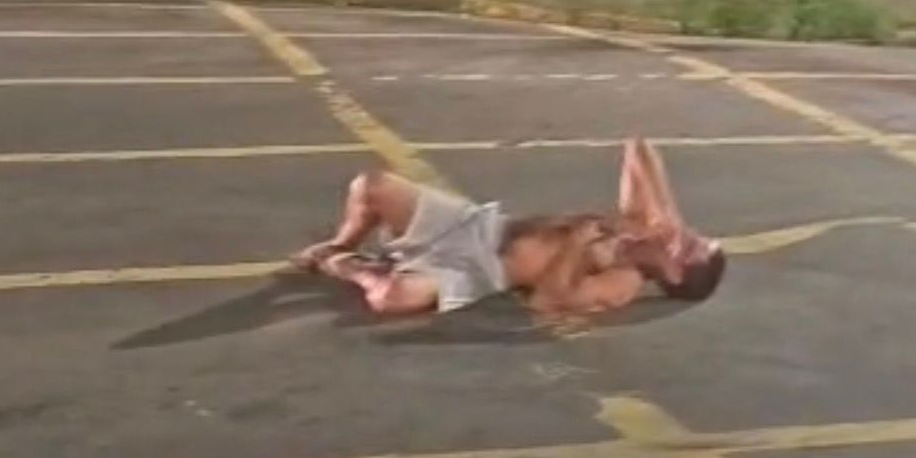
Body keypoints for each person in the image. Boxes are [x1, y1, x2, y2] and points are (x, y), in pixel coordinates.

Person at [292, 138, 726, 319]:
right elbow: (638, 145)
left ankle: (347, 264)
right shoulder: (640, 223)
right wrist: (670, 215)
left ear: (674, 273)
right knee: (371, 186)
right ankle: (341, 242)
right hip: (477, 225)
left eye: (691, 248)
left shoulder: (624, 281)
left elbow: (548, 301)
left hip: (482, 268)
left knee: (391, 298)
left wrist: (577, 245)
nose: (685, 238)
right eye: (694, 235)